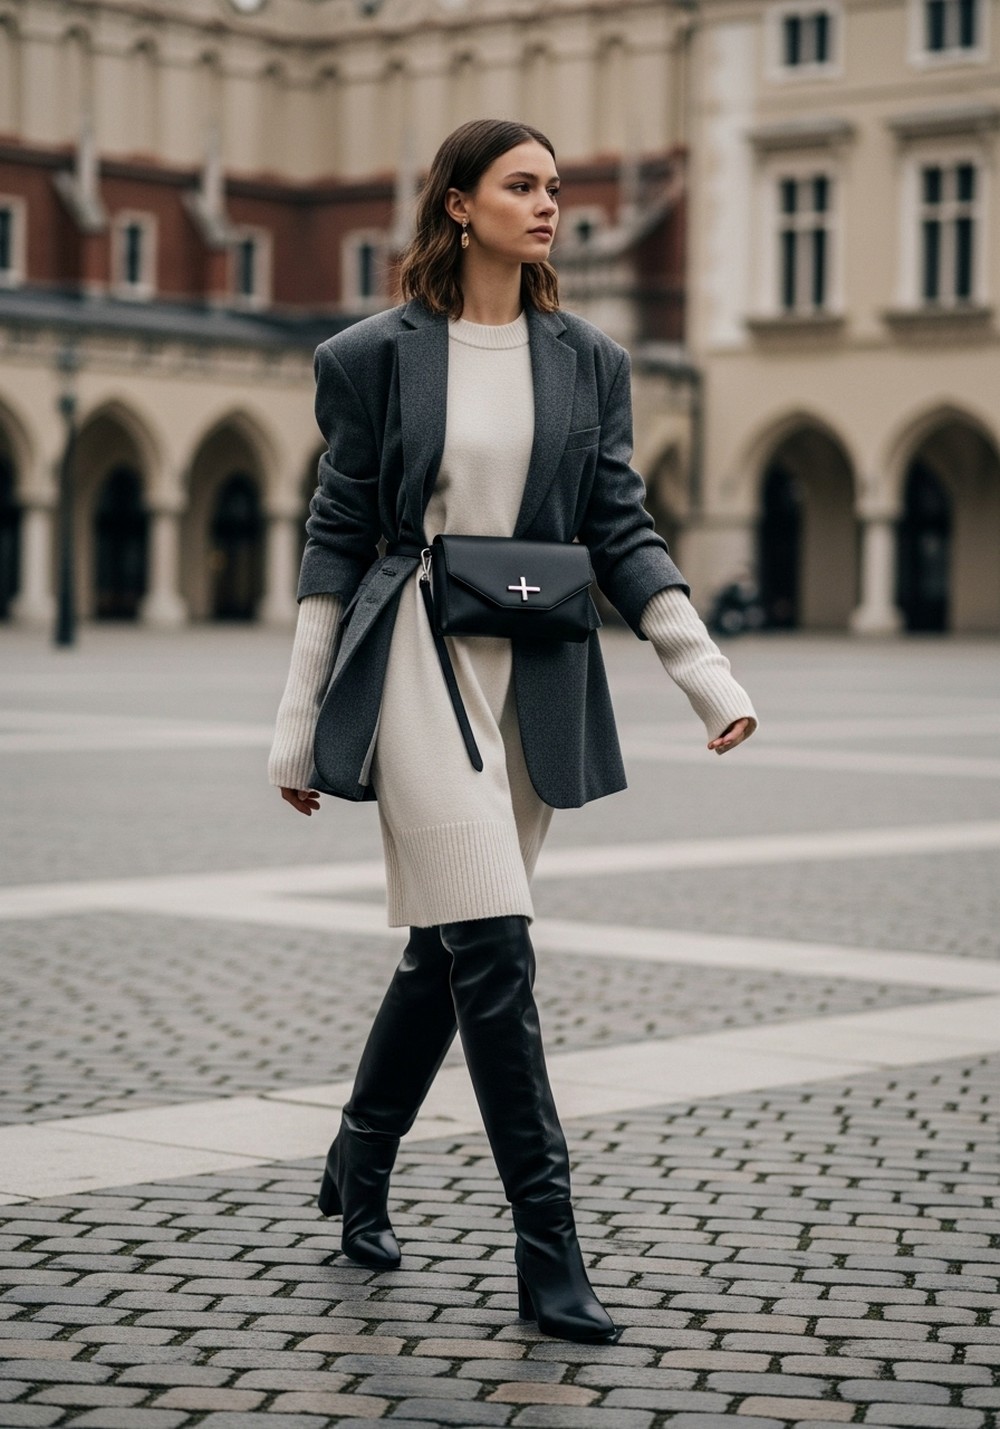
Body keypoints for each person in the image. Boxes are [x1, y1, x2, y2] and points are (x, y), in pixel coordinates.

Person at [268, 118, 757, 1346]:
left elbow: (618, 525)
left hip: (532, 664)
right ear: (458, 204)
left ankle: (360, 1150)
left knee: (448, 948)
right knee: (493, 948)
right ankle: (550, 1251)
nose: (548, 206)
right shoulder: (369, 357)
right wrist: (298, 721)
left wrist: (704, 672)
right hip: (415, 654)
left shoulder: (589, 359)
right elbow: (338, 535)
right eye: (522, 185)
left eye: (554, 187)